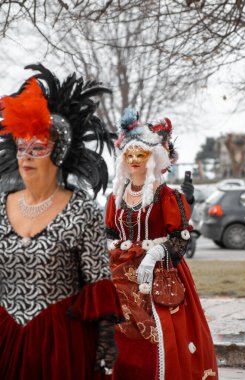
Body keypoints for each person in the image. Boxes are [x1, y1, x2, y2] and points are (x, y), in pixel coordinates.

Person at [0, 64, 124, 380]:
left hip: (60, 341)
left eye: (37, 147)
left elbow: (97, 278)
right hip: (6, 337)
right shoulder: (1, 209)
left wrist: (106, 338)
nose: (26, 155)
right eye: (21, 146)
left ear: (59, 153)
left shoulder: (82, 211)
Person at [105, 108, 218, 380]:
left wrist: (154, 254)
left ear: (153, 157)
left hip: (158, 275)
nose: (134, 159)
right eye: (129, 154)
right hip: (119, 277)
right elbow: (110, 233)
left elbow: (181, 238)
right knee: (112, 337)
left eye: (140, 154)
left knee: (157, 341)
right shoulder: (116, 197)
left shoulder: (166, 196)